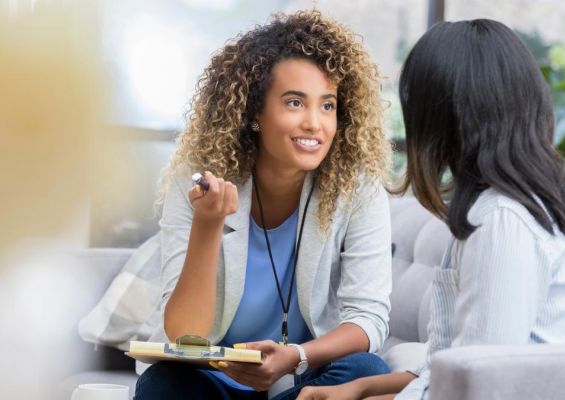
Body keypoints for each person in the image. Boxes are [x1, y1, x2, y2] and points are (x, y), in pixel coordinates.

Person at [297, 18, 565, 400]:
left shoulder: (504, 221)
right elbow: (445, 371)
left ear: (443, 117)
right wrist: (359, 389)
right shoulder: (495, 210)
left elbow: (481, 388)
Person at [134, 9, 393, 400]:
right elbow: (185, 334)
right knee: (163, 383)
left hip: (301, 383)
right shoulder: (201, 179)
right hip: (211, 379)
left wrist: (295, 356)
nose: (314, 123)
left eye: (327, 105)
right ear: (255, 111)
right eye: (294, 103)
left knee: (365, 369)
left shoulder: (358, 188)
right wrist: (208, 225)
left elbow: (368, 319)